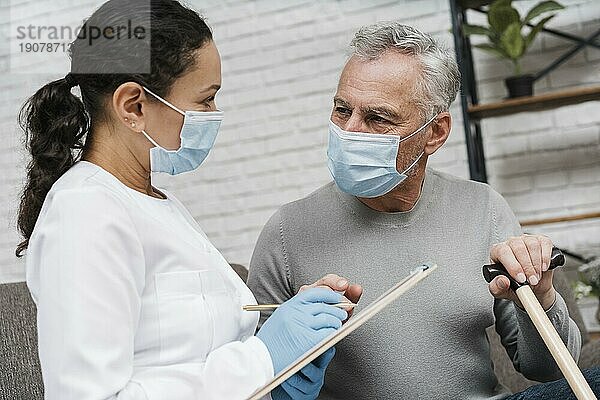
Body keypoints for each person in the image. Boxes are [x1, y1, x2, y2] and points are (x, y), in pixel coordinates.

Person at [17, 1, 356, 399]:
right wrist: (263, 359)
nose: (213, 114)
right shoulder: (84, 213)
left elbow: (188, 347)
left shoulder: (152, 202)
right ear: (134, 106)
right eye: (205, 99)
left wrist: (282, 362)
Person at [247, 22, 600, 399]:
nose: (350, 131)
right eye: (341, 109)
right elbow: (251, 380)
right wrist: (292, 346)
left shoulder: (483, 208)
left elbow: (548, 371)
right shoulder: (286, 231)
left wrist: (542, 296)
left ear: (435, 133)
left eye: (377, 118)